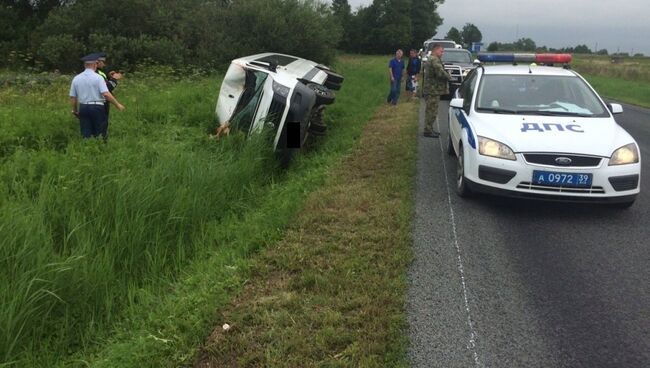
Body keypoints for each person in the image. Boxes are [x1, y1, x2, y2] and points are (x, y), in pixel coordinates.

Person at [69, 54, 125, 139]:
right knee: (100, 133)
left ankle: (87, 149)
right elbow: (106, 94)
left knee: (86, 134)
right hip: (97, 107)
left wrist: (75, 110)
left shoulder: (76, 78)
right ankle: (101, 149)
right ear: (95, 64)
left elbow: (73, 97)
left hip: (83, 107)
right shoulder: (98, 78)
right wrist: (117, 105)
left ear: (85, 65)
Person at [422, 44, 451, 138]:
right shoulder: (434, 60)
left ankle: (429, 129)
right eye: (441, 51)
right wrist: (449, 77)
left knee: (431, 110)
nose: (442, 53)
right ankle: (428, 130)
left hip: (431, 89)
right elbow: (440, 72)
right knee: (432, 111)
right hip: (432, 90)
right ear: (435, 50)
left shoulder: (431, 58)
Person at [95, 52, 123, 139]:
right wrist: (114, 79)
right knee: (102, 124)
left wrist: (109, 77)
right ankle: (102, 141)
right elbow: (107, 88)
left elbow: (103, 84)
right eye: (103, 62)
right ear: (97, 62)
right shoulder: (97, 73)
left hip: (93, 102)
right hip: (101, 102)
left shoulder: (99, 73)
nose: (104, 64)